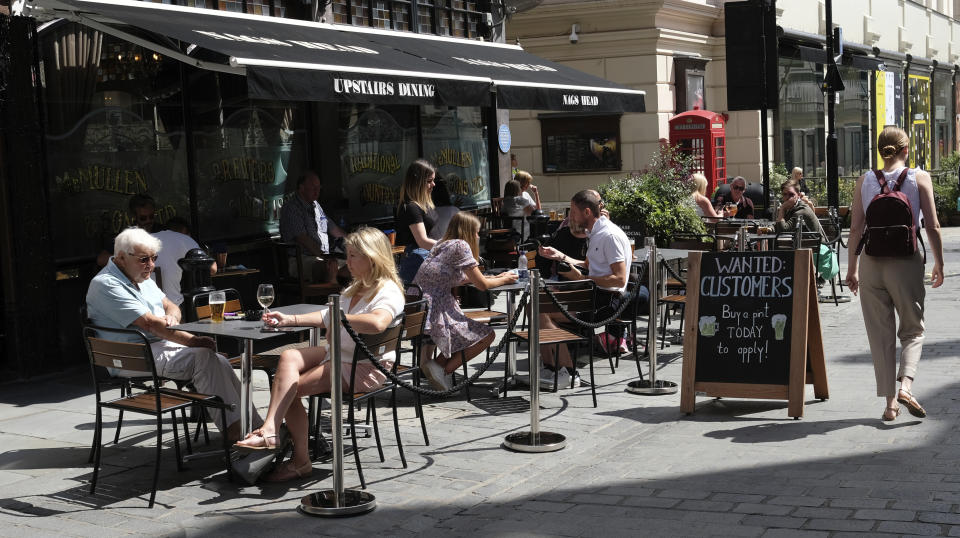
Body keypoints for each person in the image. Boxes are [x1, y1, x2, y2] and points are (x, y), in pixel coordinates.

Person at [235, 227, 405, 481]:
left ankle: (300, 460)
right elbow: (327, 315)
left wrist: (341, 318)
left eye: (353, 256)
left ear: (372, 257)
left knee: (288, 390)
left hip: (364, 366)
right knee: (289, 357)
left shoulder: (387, 291)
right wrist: (289, 320)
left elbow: (378, 323)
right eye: (347, 255)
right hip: (341, 354)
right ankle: (271, 428)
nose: (347, 262)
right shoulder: (356, 287)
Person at [86, 227, 251, 442]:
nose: (151, 265)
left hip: (155, 345)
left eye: (154, 258)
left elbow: (171, 305)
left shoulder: (141, 277)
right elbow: (150, 324)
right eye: (144, 259)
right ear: (121, 258)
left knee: (219, 360)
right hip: (130, 357)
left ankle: (254, 426)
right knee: (203, 357)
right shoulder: (106, 284)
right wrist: (192, 340)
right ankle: (235, 433)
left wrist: (172, 317)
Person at [845, 126, 945, 423]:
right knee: (913, 329)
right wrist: (939, 262)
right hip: (905, 260)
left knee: (881, 335)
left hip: (871, 261)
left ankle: (890, 405)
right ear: (906, 150)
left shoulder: (864, 181)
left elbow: (855, 229)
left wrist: (851, 269)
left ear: (880, 150)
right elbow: (932, 225)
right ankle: (906, 386)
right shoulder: (919, 177)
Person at [537, 190, 649, 385]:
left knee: (542, 310)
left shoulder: (609, 236)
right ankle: (550, 368)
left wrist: (585, 277)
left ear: (587, 212)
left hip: (606, 303)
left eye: (573, 211)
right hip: (594, 296)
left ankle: (566, 372)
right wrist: (560, 256)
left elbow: (619, 278)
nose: (570, 216)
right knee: (537, 304)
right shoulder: (597, 232)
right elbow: (589, 265)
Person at [414, 212, 518, 390]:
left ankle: (436, 368)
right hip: (436, 310)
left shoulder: (442, 244)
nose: (478, 236)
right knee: (487, 335)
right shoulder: (461, 245)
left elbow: (456, 278)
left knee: (462, 337)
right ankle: (443, 371)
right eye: (477, 232)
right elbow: (483, 285)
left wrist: (497, 277)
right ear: (468, 232)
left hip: (419, 307)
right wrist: (506, 279)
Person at [279, 171, 347, 284]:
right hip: (301, 260)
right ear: (301, 188)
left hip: (324, 256)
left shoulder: (316, 206)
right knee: (330, 266)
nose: (317, 191)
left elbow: (333, 228)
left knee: (359, 264)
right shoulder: (292, 208)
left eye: (319, 187)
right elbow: (303, 239)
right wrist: (325, 257)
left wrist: (356, 243)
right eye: (313, 187)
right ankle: (331, 299)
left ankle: (351, 299)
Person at [151, 217, 217, 306]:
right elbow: (212, 269)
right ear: (185, 232)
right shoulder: (184, 239)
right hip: (172, 305)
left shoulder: (147, 238)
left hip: (144, 307)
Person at [396, 159, 437, 284]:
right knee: (419, 302)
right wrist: (447, 245)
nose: (433, 184)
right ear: (417, 183)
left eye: (433, 180)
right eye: (429, 181)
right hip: (416, 261)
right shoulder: (412, 207)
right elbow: (422, 241)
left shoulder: (421, 205)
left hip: (422, 258)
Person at [96, 194, 159, 267]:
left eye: (151, 216)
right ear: (134, 217)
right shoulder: (126, 235)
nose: (148, 221)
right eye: (143, 218)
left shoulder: (163, 230)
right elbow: (101, 259)